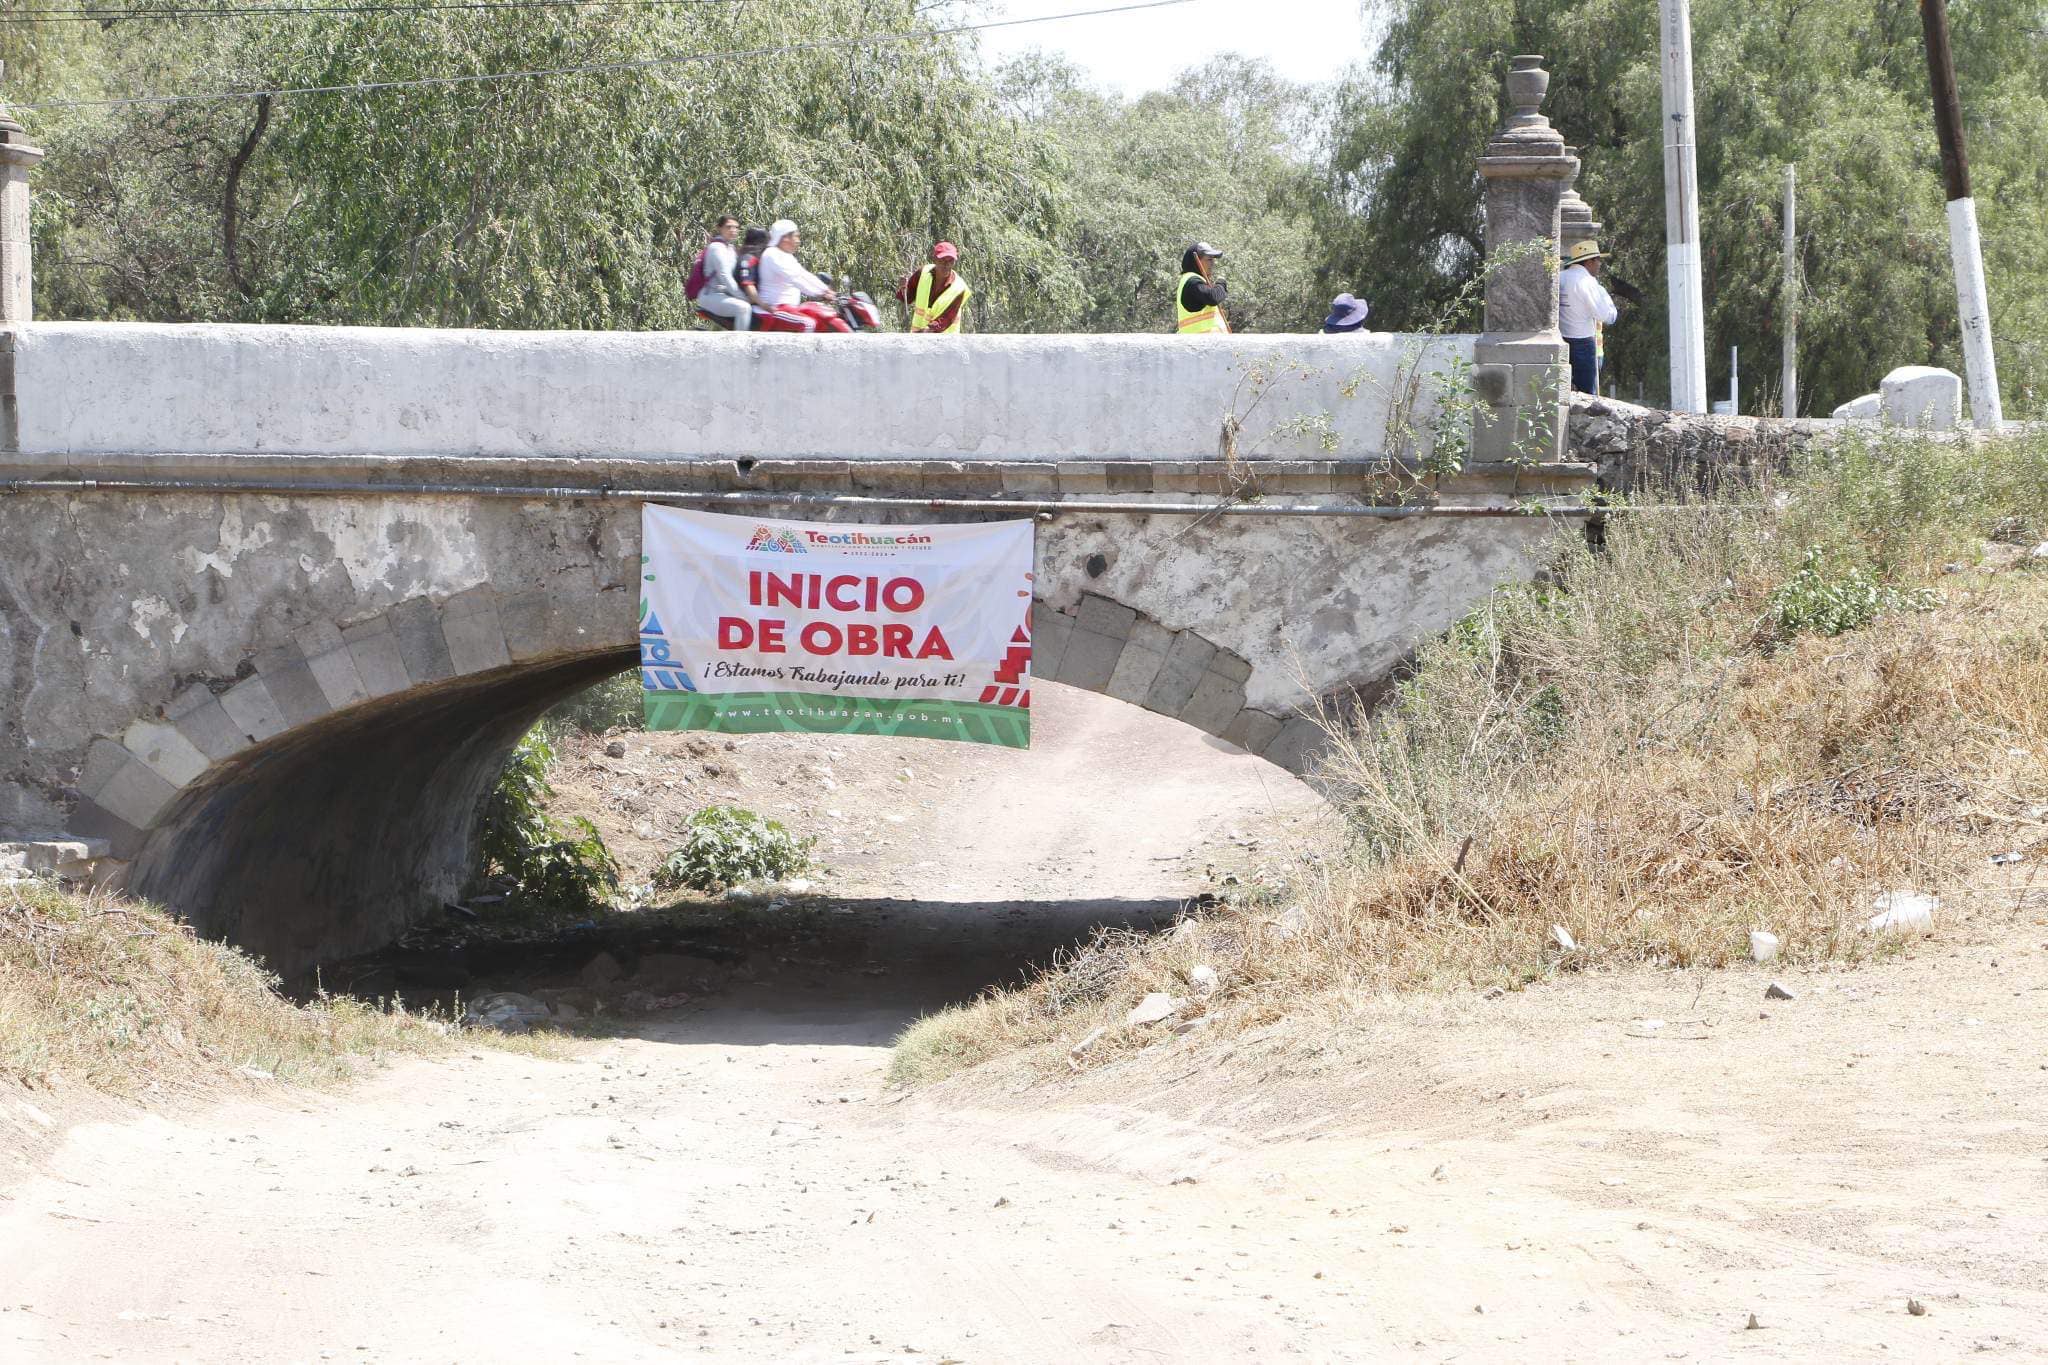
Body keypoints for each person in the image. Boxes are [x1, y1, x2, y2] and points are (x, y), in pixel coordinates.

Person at [756, 219, 849, 334]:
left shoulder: (785, 255)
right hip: (774, 309)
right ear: (785, 238)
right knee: (807, 323)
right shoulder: (772, 254)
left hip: (789, 308)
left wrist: (826, 290)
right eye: (796, 237)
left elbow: (803, 274)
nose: (798, 241)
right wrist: (821, 292)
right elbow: (795, 278)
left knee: (821, 320)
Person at [1558, 239, 1619, 395]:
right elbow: (1606, 315)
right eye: (1597, 260)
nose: (1599, 264)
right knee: (1587, 394)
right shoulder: (1587, 282)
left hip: (1561, 339)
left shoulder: (1560, 277)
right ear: (1589, 261)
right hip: (1583, 343)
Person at [897, 241, 972, 334]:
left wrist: (926, 331)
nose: (946, 265)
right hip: (918, 338)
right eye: (942, 260)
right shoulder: (922, 273)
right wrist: (903, 288)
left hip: (946, 342)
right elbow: (906, 298)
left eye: (950, 261)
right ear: (935, 259)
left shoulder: (960, 288)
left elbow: (947, 318)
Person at [692, 215, 751, 331]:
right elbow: (725, 276)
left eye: (736, 227)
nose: (733, 230)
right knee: (743, 308)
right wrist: (743, 297)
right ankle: (740, 347)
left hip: (725, 295)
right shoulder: (716, 248)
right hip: (712, 295)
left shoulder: (731, 249)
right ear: (720, 228)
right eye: (728, 227)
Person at [1175, 241, 1229, 335]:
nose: (1213, 263)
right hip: (1198, 344)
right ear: (1197, 261)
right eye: (1209, 259)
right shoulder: (1192, 281)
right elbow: (1213, 297)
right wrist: (1221, 283)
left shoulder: (1194, 280)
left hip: (1206, 344)